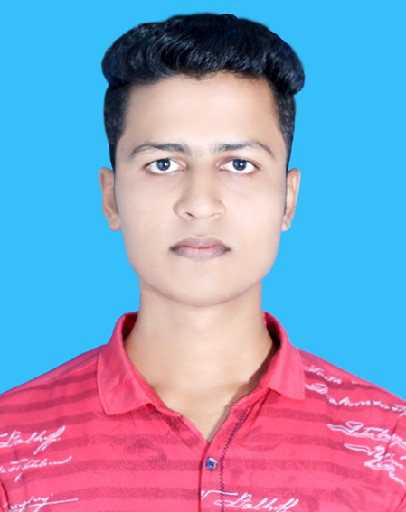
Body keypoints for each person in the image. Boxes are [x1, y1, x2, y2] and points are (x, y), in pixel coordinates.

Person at [0, 12, 404, 512]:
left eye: (239, 164)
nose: (199, 203)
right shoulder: (11, 444)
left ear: (288, 199)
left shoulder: (390, 446)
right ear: (111, 197)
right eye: (163, 164)